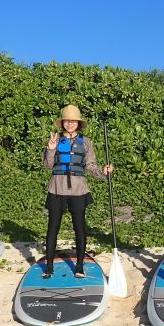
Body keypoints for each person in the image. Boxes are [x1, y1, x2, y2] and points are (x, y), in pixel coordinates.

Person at [42, 105, 113, 279]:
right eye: (67, 120)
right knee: (53, 229)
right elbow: (47, 165)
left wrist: (103, 173)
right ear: (62, 123)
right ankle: (49, 266)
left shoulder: (86, 142)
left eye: (73, 121)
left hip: (79, 189)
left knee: (79, 229)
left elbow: (90, 166)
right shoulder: (55, 139)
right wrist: (50, 149)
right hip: (56, 188)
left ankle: (80, 266)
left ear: (78, 123)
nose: (70, 124)